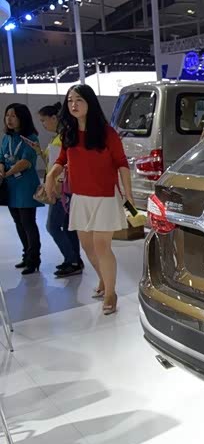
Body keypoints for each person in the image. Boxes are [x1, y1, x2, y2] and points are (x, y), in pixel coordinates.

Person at [45, 85, 134, 315]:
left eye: (79, 100)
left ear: (89, 103)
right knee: (87, 246)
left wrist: (129, 196)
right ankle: (104, 279)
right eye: (70, 100)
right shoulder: (69, 133)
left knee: (102, 245)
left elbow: (121, 163)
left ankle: (111, 293)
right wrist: (51, 174)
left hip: (105, 197)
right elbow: (62, 159)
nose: (73, 104)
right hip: (80, 197)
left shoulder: (107, 133)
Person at [31, 102, 84, 277]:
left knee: (52, 226)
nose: (43, 124)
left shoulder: (62, 139)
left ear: (54, 118)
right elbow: (52, 163)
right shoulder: (59, 138)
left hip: (61, 189)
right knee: (68, 226)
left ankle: (72, 260)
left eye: (44, 120)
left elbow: (61, 166)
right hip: (65, 187)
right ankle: (74, 260)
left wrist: (55, 185)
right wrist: (40, 152)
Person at [0, 103, 43, 274]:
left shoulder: (31, 138)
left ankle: (34, 259)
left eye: (13, 116)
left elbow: (26, 162)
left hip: (25, 186)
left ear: (22, 118)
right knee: (18, 222)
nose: (9, 119)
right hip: (10, 186)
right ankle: (26, 255)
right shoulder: (7, 137)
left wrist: (7, 173)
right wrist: (1, 169)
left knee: (28, 222)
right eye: (7, 115)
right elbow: (1, 157)